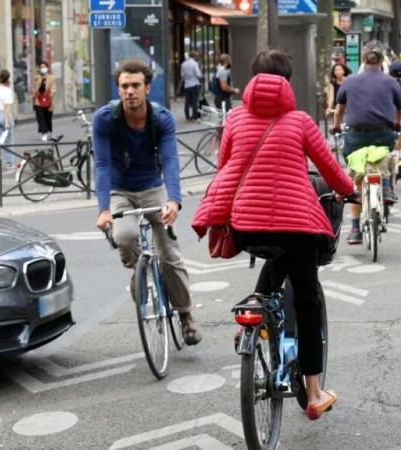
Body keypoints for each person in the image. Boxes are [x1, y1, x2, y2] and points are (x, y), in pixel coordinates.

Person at [191, 49, 355, 420]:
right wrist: (349, 190)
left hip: (245, 225)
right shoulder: (300, 121)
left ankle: (255, 309)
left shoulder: (234, 119)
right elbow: (329, 169)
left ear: (252, 80)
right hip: (297, 225)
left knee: (275, 254)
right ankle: (313, 393)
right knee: (307, 301)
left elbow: (225, 168)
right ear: (287, 82)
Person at [93, 59, 201, 345]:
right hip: (119, 191)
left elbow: (170, 160)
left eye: (135, 86)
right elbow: (102, 165)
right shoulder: (105, 119)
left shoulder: (161, 118)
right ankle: (138, 271)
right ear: (119, 89)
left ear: (147, 88)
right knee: (126, 237)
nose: (129, 91)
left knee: (169, 256)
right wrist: (104, 209)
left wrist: (174, 201)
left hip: (153, 188)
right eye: (124, 86)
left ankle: (186, 315)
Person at [332, 40, 401, 244]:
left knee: (356, 175)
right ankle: (387, 185)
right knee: (388, 153)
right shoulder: (391, 82)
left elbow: (339, 110)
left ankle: (355, 229)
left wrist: (337, 126)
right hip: (383, 134)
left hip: (356, 137)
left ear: (363, 60)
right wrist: (397, 124)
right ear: (382, 62)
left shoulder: (350, 81)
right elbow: (400, 110)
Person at [33, 61, 56, 141]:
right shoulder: (37, 77)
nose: (43, 69)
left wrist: (52, 93)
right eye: (41, 67)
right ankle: (44, 133)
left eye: (44, 67)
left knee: (48, 117)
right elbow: (34, 89)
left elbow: (53, 87)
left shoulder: (51, 77)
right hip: (38, 100)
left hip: (48, 100)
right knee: (41, 118)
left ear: (47, 68)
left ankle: (49, 132)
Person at [180, 51, 202, 121]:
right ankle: (195, 117)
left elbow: (182, 75)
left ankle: (187, 117)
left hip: (187, 85)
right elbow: (198, 74)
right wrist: (200, 77)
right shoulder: (195, 64)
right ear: (194, 57)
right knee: (195, 102)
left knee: (187, 102)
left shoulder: (183, 64)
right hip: (195, 84)